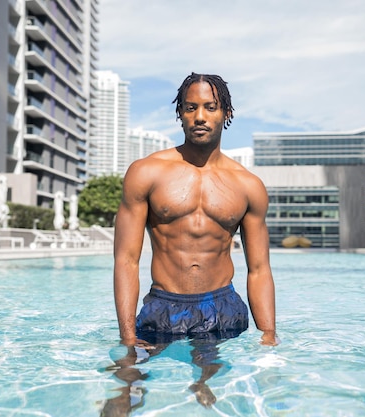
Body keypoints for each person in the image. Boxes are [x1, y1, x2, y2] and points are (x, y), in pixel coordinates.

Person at [106, 73, 278, 413]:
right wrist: (127, 338)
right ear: (180, 114)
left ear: (225, 113)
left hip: (222, 306)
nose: (200, 116)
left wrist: (269, 334)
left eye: (210, 107)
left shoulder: (248, 185)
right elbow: (126, 260)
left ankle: (204, 382)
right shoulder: (146, 172)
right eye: (191, 107)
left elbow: (259, 269)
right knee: (128, 380)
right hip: (163, 305)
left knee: (215, 377)